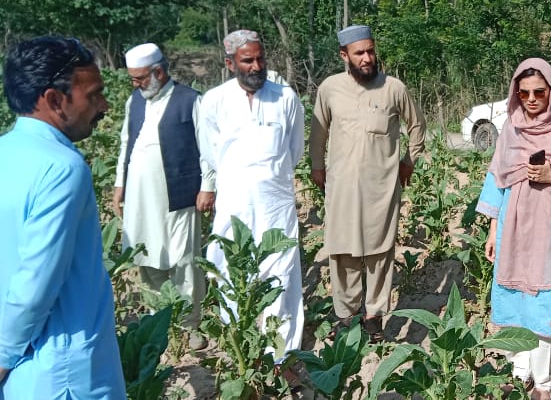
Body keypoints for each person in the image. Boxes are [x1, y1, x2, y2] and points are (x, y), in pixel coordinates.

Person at [0, 36, 126, 398]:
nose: (103, 105)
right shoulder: (62, 168)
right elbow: (35, 284)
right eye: (94, 94)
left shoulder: (5, 152)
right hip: (60, 374)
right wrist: (4, 356)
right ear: (54, 100)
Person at [476, 58, 551, 399]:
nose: (531, 99)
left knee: (543, 301)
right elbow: (496, 177)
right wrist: (492, 229)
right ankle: (518, 370)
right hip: (512, 229)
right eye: (523, 92)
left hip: (549, 231)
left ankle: (543, 381)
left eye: (539, 92)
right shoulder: (511, 127)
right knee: (513, 300)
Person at [309, 25, 426, 342]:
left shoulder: (394, 88)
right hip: (342, 189)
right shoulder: (330, 88)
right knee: (342, 252)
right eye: (359, 53)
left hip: (382, 189)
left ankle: (374, 317)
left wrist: (408, 161)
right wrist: (317, 167)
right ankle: (346, 316)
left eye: (370, 51)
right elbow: (318, 134)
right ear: (344, 55)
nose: (367, 58)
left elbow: (417, 127)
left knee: (378, 255)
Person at [199, 29, 306, 356]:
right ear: (231, 63)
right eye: (248, 60)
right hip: (235, 204)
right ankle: (240, 350)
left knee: (282, 276)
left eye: (261, 58)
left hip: (276, 203)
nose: (256, 66)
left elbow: (295, 150)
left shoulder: (285, 98)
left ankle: (281, 355)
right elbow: (210, 153)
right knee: (232, 273)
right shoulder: (214, 101)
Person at [112, 43, 214, 350]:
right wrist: (120, 183)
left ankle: (190, 325)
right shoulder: (135, 101)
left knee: (184, 259)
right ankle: (159, 323)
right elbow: (125, 144)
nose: (136, 84)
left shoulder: (190, 100)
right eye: (133, 78)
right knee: (146, 256)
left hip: (179, 193)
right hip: (140, 198)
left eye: (140, 78)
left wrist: (208, 185)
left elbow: (206, 146)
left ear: (158, 71)